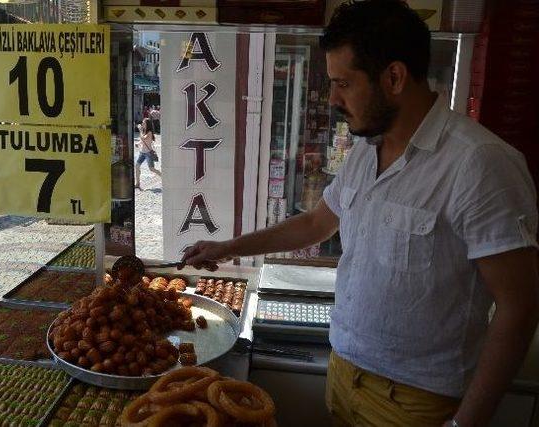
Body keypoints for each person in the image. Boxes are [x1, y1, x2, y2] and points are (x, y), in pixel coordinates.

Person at [181, 2, 539, 426]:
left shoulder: (480, 164)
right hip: (344, 375)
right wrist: (230, 247)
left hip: (415, 402)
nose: (333, 98)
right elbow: (317, 223)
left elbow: (519, 306)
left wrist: (466, 423)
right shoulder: (365, 152)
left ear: (394, 77)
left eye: (343, 84)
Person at [135, 118, 161, 190]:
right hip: (142, 152)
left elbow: (143, 138)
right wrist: (138, 143)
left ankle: (164, 177)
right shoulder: (144, 131)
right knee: (137, 166)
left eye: (144, 123)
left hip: (148, 153)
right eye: (142, 123)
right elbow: (142, 140)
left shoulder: (149, 132)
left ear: (147, 124)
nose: (142, 124)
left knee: (151, 169)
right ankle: (137, 183)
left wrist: (140, 130)